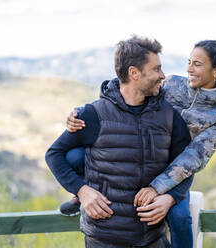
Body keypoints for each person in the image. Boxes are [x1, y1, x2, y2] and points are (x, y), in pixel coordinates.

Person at [63, 39, 216, 248]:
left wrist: (159, 189)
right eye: (189, 61)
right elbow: (130, 90)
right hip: (141, 151)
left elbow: (193, 157)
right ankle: (83, 194)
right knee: (74, 156)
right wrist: (81, 113)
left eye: (197, 64)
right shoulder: (172, 83)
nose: (189, 69)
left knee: (180, 217)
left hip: (175, 169)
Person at [45, 35, 193, 247]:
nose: (162, 76)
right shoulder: (93, 114)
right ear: (134, 73)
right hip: (104, 238)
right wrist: (82, 191)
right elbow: (54, 154)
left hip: (153, 239)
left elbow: (186, 166)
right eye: (156, 69)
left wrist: (170, 197)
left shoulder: (170, 116)